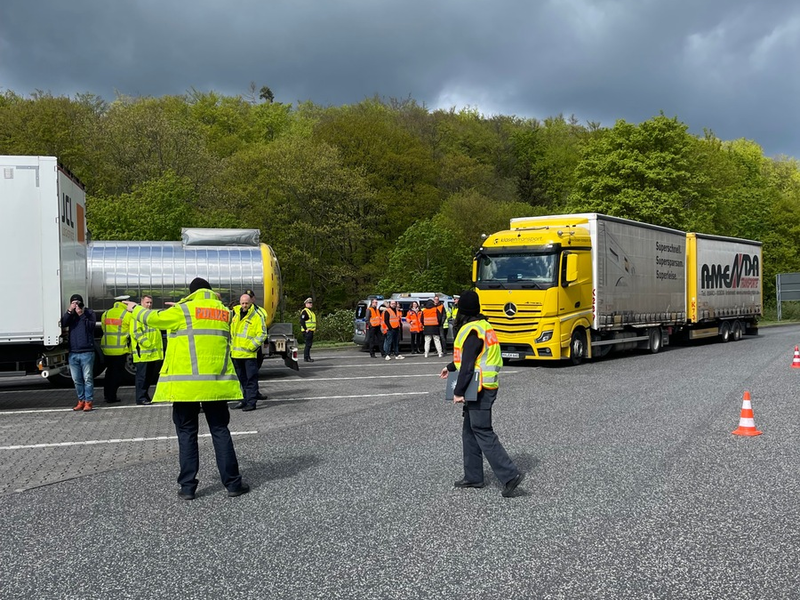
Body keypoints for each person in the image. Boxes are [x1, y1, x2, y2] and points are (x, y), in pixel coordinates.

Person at [123, 278, 249, 501]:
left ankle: (188, 487)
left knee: (187, 435)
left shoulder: (183, 311)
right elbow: (206, 312)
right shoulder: (223, 312)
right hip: (215, 385)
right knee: (220, 432)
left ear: (190, 294)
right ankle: (233, 484)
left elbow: (154, 319)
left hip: (186, 387)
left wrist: (135, 309)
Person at [439, 290, 524, 498]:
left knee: (482, 430)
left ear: (462, 311)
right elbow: (470, 358)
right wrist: (450, 367)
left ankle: (510, 476)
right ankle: (473, 476)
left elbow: (468, 365)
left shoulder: (471, 330)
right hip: (483, 386)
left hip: (480, 388)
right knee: (469, 432)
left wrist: (458, 391)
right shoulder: (483, 326)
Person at [230, 293, 268, 412]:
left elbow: (262, 334)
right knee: (242, 380)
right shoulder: (235, 314)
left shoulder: (256, 316)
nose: (244, 305)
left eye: (246, 303)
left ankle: (251, 402)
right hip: (236, 354)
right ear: (240, 303)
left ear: (250, 303)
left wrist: (252, 347)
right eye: (242, 303)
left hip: (248, 354)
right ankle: (245, 400)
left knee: (251, 379)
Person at [62, 294, 97, 412]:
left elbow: (91, 327)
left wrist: (81, 314)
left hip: (87, 351)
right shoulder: (71, 315)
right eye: (74, 303)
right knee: (76, 379)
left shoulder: (89, 313)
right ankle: (80, 400)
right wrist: (69, 310)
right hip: (73, 352)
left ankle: (88, 401)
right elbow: (63, 323)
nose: (77, 305)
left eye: (78, 303)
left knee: (87, 378)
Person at [129, 295, 164, 405]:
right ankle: (140, 398)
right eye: (147, 302)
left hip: (151, 353)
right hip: (143, 352)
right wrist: (147, 344)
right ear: (141, 302)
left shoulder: (151, 315)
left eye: (150, 303)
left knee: (149, 376)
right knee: (142, 377)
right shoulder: (136, 315)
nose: (149, 305)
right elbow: (135, 332)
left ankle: (145, 395)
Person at [101, 296, 132, 404]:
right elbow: (130, 331)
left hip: (107, 349)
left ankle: (106, 395)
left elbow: (104, 329)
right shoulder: (127, 315)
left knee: (109, 373)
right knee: (117, 375)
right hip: (120, 350)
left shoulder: (106, 313)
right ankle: (111, 396)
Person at [244, 289, 269, 400]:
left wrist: (266, 341)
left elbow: (264, 328)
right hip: (242, 347)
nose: (249, 299)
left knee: (254, 371)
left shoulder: (261, 311)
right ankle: (246, 395)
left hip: (256, 346)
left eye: (251, 297)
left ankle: (254, 392)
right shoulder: (240, 310)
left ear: (253, 299)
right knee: (244, 374)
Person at [300, 297, 316, 362]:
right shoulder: (305, 311)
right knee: (308, 345)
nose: (311, 304)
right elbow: (302, 321)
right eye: (309, 303)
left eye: (311, 303)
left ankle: (308, 357)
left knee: (309, 345)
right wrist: (305, 329)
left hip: (311, 331)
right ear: (306, 304)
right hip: (307, 331)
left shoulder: (310, 312)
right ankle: (306, 358)